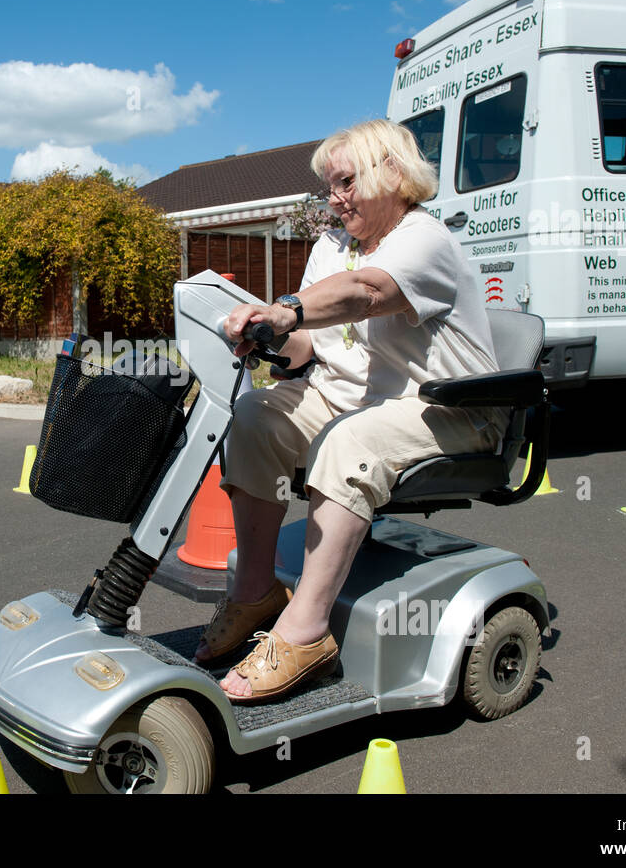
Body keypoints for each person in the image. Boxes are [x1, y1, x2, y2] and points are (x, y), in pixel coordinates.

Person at [196, 119, 509, 704]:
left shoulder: (424, 240)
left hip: (449, 407)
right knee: (255, 417)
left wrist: (287, 307)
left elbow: (366, 293)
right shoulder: (331, 246)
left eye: (346, 182)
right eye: (329, 187)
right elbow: (309, 345)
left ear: (393, 173)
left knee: (350, 441)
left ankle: (307, 632)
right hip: (357, 397)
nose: (336, 199)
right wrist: (263, 332)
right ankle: (256, 594)